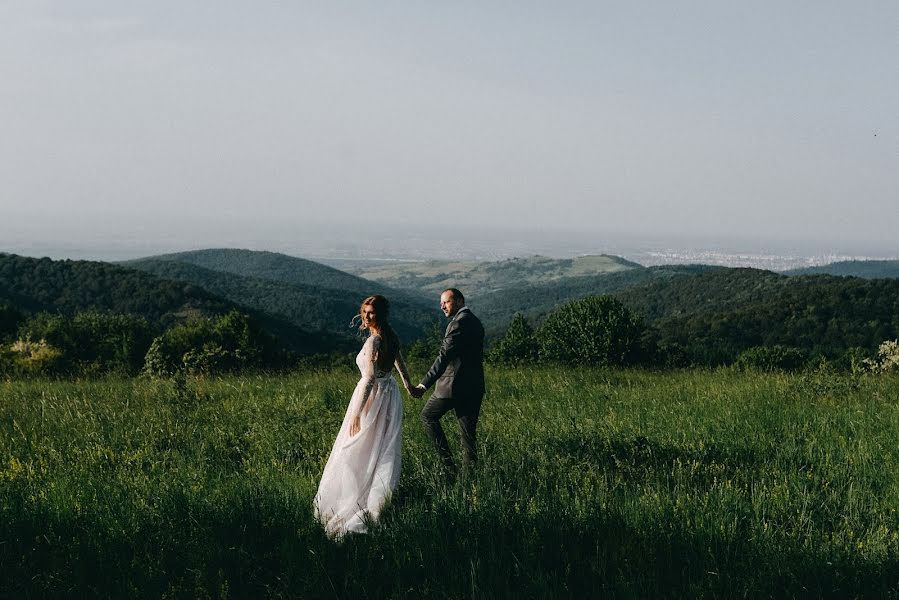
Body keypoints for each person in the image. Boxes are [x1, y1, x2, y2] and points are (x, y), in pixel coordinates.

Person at [314, 295, 415, 537]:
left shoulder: (376, 341)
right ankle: (375, 503)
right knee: (381, 449)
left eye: (371, 312)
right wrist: (409, 387)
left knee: (357, 451)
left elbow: (369, 378)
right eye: (364, 311)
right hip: (389, 395)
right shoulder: (390, 336)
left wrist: (357, 414)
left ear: (380, 314)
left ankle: (355, 503)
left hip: (372, 397)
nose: (366, 316)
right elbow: (399, 361)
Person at [412, 288, 485, 473]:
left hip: (453, 387)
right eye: (441, 303)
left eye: (446, 302)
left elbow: (443, 357)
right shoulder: (475, 321)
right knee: (468, 435)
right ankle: (470, 479)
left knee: (427, 417)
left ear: (460, 301)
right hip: (474, 386)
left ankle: (448, 466)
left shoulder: (458, 323)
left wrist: (423, 384)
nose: (442, 306)